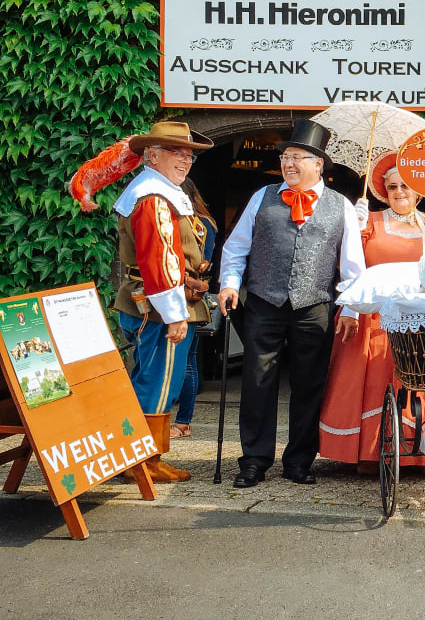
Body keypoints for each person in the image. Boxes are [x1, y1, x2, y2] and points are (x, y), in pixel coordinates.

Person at [218, 119, 367, 488]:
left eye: (299, 157)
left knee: (309, 385)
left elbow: (352, 265)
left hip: (314, 305)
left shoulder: (341, 206)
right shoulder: (262, 196)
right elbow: (236, 248)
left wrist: (349, 308)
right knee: (257, 381)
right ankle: (254, 460)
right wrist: (229, 283)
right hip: (264, 303)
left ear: (318, 164)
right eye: (286, 156)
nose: (289, 163)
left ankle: (299, 461)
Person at [318, 152, 425, 472]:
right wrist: (351, 310)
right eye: (392, 187)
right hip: (373, 315)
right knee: (375, 382)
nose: (399, 192)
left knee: (420, 378)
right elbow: (351, 268)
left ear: (419, 191)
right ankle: (370, 451)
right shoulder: (369, 223)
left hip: (420, 316)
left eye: (405, 186)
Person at [112, 121, 214, 483]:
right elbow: (159, 261)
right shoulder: (154, 197)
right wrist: (175, 314)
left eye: (189, 156)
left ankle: (139, 458)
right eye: (177, 153)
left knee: (154, 380)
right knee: (158, 383)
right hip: (157, 307)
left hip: (152, 304)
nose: (185, 161)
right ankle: (143, 462)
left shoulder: (155, 191)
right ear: (152, 155)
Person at [170, 178, 218, 439]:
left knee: (184, 361)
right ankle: (182, 420)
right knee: (187, 361)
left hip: (187, 295)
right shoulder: (207, 222)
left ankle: (182, 420)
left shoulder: (197, 223)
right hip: (190, 295)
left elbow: (203, 263)